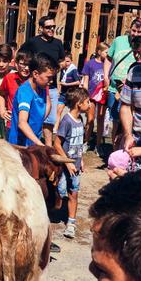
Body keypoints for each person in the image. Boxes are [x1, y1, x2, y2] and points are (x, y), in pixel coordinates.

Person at [20, 16, 64, 143]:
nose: (51, 29)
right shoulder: (33, 42)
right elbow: (20, 54)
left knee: (50, 119)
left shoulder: (57, 43)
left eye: (53, 27)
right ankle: (32, 142)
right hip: (35, 86)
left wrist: (58, 67)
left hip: (51, 85)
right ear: (41, 28)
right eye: (48, 27)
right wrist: (28, 68)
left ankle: (48, 147)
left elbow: (62, 60)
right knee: (34, 116)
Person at [53, 86, 88, 240]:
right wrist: (67, 162)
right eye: (87, 101)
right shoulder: (67, 121)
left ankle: (71, 223)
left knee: (74, 192)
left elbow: (79, 143)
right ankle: (53, 213)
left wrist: (81, 160)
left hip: (76, 165)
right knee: (60, 192)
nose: (90, 104)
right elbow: (57, 144)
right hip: (65, 165)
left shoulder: (81, 120)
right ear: (78, 103)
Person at [104, 18, 141, 146]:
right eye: (133, 31)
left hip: (134, 88)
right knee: (116, 120)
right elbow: (108, 59)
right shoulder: (118, 41)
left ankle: (126, 148)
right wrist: (106, 76)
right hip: (115, 87)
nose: (135, 34)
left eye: (139, 32)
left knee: (130, 120)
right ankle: (114, 149)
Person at [7, 52, 57, 147]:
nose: (51, 81)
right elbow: (22, 123)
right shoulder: (25, 92)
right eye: (49, 77)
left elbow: (48, 103)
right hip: (20, 146)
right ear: (35, 74)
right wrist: (40, 145)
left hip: (33, 142)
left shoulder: (42, 87)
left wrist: (40, 119)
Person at [0, 50, 31, 131]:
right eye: (22, 64)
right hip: (12, 124)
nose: (26, 68)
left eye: (29, 65)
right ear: (16, 64)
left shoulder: (36, 80)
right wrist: (2, 111)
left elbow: (46, 101)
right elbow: (1, 94)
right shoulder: (9, 78)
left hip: (30, 124)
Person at [80, 45, 106, 148]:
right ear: (99, 51)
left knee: (101, 119)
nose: (108, 55)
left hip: (103, 95)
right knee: (90, 119)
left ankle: (98, 145)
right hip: (91, 95)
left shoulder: (108, 64)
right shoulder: (90, 64)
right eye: (106, 52)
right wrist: (86, 96)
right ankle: (86, 141)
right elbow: (86, 81)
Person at [55, 52, 81, 122]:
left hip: (72, 94)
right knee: (58, 111)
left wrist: (67, 84)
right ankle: (55, 129)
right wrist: (58, 91)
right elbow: (61, 82)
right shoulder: (62, 70)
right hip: (63, 93)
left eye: (68, 61)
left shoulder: (73, 70)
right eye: (65, 61)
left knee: (72, 112)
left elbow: (78, 82)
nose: (66, 63)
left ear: (71, 61)